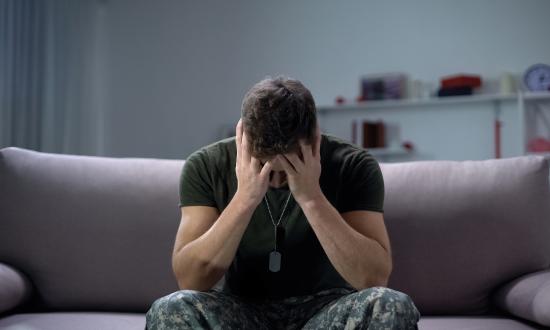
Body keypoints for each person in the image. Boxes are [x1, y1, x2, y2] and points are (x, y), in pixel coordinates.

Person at [145, 77, 420, 329]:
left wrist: (311, 197)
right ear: (242, 136)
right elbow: (191, 280)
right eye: (263, 165)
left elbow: (373, 278)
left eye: (289, 166)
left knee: (391, 305)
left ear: (314, 138)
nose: (275, 181)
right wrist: (245, 198)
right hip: (243, 310)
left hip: (325, 311)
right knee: (170, 309)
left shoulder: (354, 165)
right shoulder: (205, 165)